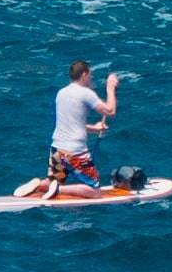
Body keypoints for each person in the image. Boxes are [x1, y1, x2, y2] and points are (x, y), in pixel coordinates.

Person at [44, 62, 119, 195]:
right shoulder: (85, 93)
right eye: (90, 75)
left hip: (57, 149)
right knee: (95, 191)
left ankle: (39, 185)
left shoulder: (61, 93)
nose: (91, 78)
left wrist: (95, 129)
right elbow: (110, 111)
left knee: (54, 180)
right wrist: (110, 87)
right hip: (75, 153)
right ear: (84, 75)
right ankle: (58, 189)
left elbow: (71, 124)